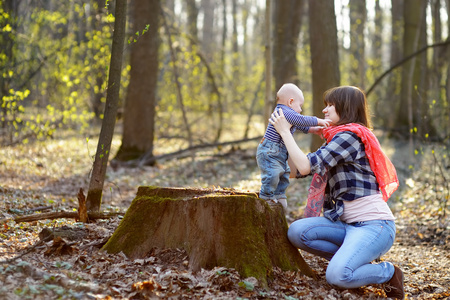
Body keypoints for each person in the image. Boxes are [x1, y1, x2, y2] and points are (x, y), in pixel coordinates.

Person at [269, 86, 404, 299]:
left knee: (337, 276)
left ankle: (387, 272)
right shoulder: (335, 138)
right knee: (296, 232)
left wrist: (286, 131)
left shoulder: (350, 137)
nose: (324, 110)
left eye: (330, 105)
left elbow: (305, 166)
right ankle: (354, 259)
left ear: (346, 108)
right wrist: (273, 146)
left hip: (374, 226)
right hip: (344, 224)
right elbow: (296, 171)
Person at [257, 83, 330, 211]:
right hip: (269, 151)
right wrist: (319, 121)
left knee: (284, 172)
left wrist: (314, 130)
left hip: (279, 152)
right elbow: (301, 120)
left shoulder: (288, 115)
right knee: (272, 173)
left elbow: (301, 126)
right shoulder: (283, 111)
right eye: (300, 106)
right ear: (291, 102)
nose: (301, 110)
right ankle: (266, 195)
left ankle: (279, 194)